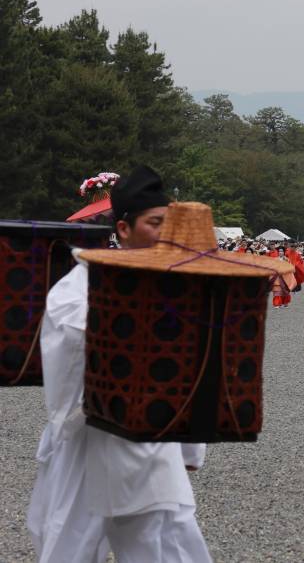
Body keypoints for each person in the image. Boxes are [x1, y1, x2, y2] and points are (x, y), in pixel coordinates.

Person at [28, 165, 211, 562]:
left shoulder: (176, 286)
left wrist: (189, 450)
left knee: (167, 541)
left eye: (169, 224)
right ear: (123, 229)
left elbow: (188, 371)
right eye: (154, 223)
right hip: (88, 439)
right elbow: (66, 369)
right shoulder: (79, 286)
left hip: (151, 441)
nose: (164, 234)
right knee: (67, 542)